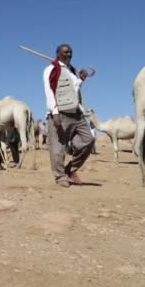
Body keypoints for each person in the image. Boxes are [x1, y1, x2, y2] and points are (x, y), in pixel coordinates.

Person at [43, 44, 94, 187]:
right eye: (65, 52)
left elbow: (73, 90)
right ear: (58, 54)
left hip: (77, 113)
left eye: (71, 52)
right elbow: (49, 90)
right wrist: (54, 112)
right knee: (58, 147)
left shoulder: (72, 71)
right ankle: (60, 177)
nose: (69, 54)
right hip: (60, 113)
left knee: (88, 139)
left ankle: (70, 169)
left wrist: (81, 79)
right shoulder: (51, 69)